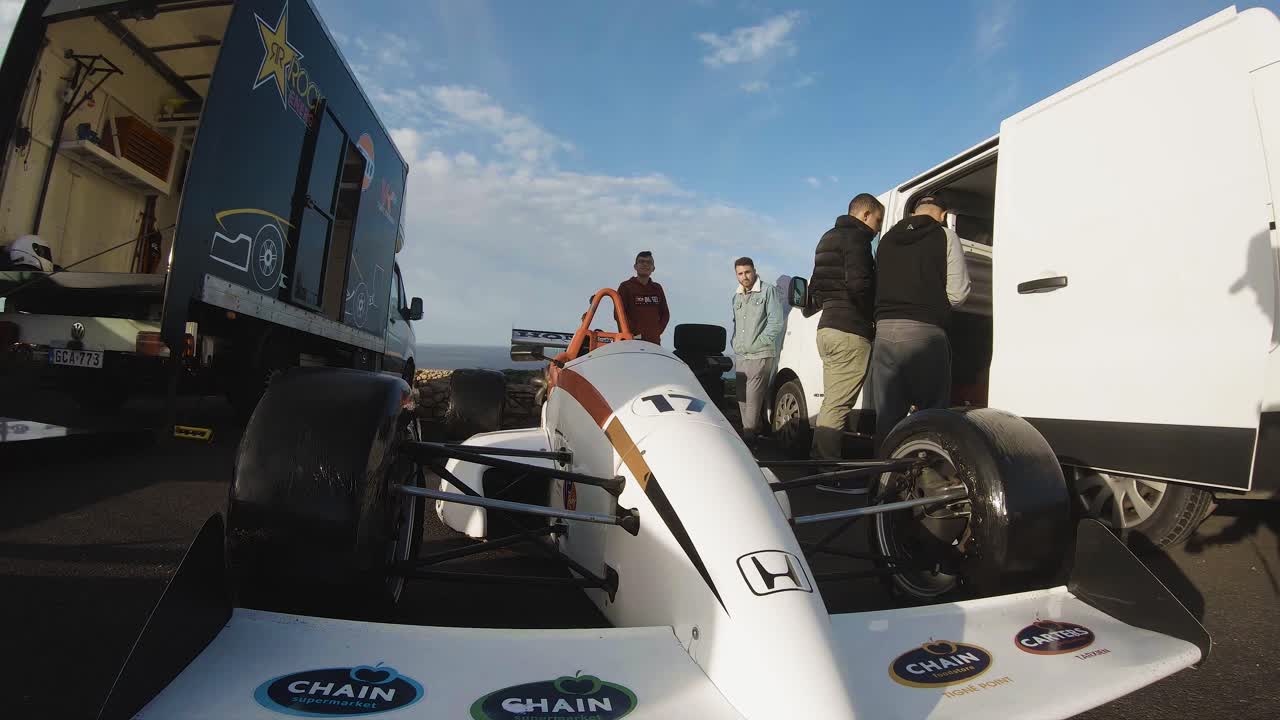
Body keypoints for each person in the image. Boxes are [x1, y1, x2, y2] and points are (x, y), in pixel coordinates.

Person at [868, 191, 971, 453]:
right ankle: (925, 476)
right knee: (931, 417)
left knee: (888, 419)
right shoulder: (945, 235)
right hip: (925, 334)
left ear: (913, 212)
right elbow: (958, 293)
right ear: (944, 215)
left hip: (884, 334)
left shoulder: (887, 240)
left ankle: (883, 481)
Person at [807, 193, 885, 462]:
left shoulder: (827, 238)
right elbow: (859, 285)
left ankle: (821, 462)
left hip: (826, 327)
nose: (878, 229)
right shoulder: (858, 239)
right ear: (865, 215)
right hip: (850, 330)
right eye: (878, 220)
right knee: (839, 405)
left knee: (831, 401)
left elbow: (814, 287)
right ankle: (825, 468)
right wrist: (872, 317)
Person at [730, 256, 783, 445]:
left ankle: (748, 442)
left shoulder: (768, 291)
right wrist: (734, 342)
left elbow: (776, 322)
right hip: (741, 355)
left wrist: (759, 343)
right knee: (742, 400)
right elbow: (736, 324)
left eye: (747, 272)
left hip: (760, 355)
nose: (744, 276)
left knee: (752, 402)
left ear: (754, 270)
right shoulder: (736, 296)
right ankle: (753, 437)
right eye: (740, 273)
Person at [617, 250, 670, 344]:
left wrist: (656, 332)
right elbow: (619, 314)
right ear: (635, 267)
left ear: (653, 268)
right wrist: (631, 333)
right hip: (631, 341)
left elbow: (665, 314)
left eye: (649, 262)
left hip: (654, 343)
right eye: (641, 261)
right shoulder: (626, 287)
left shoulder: (657, 288)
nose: (645, 264)